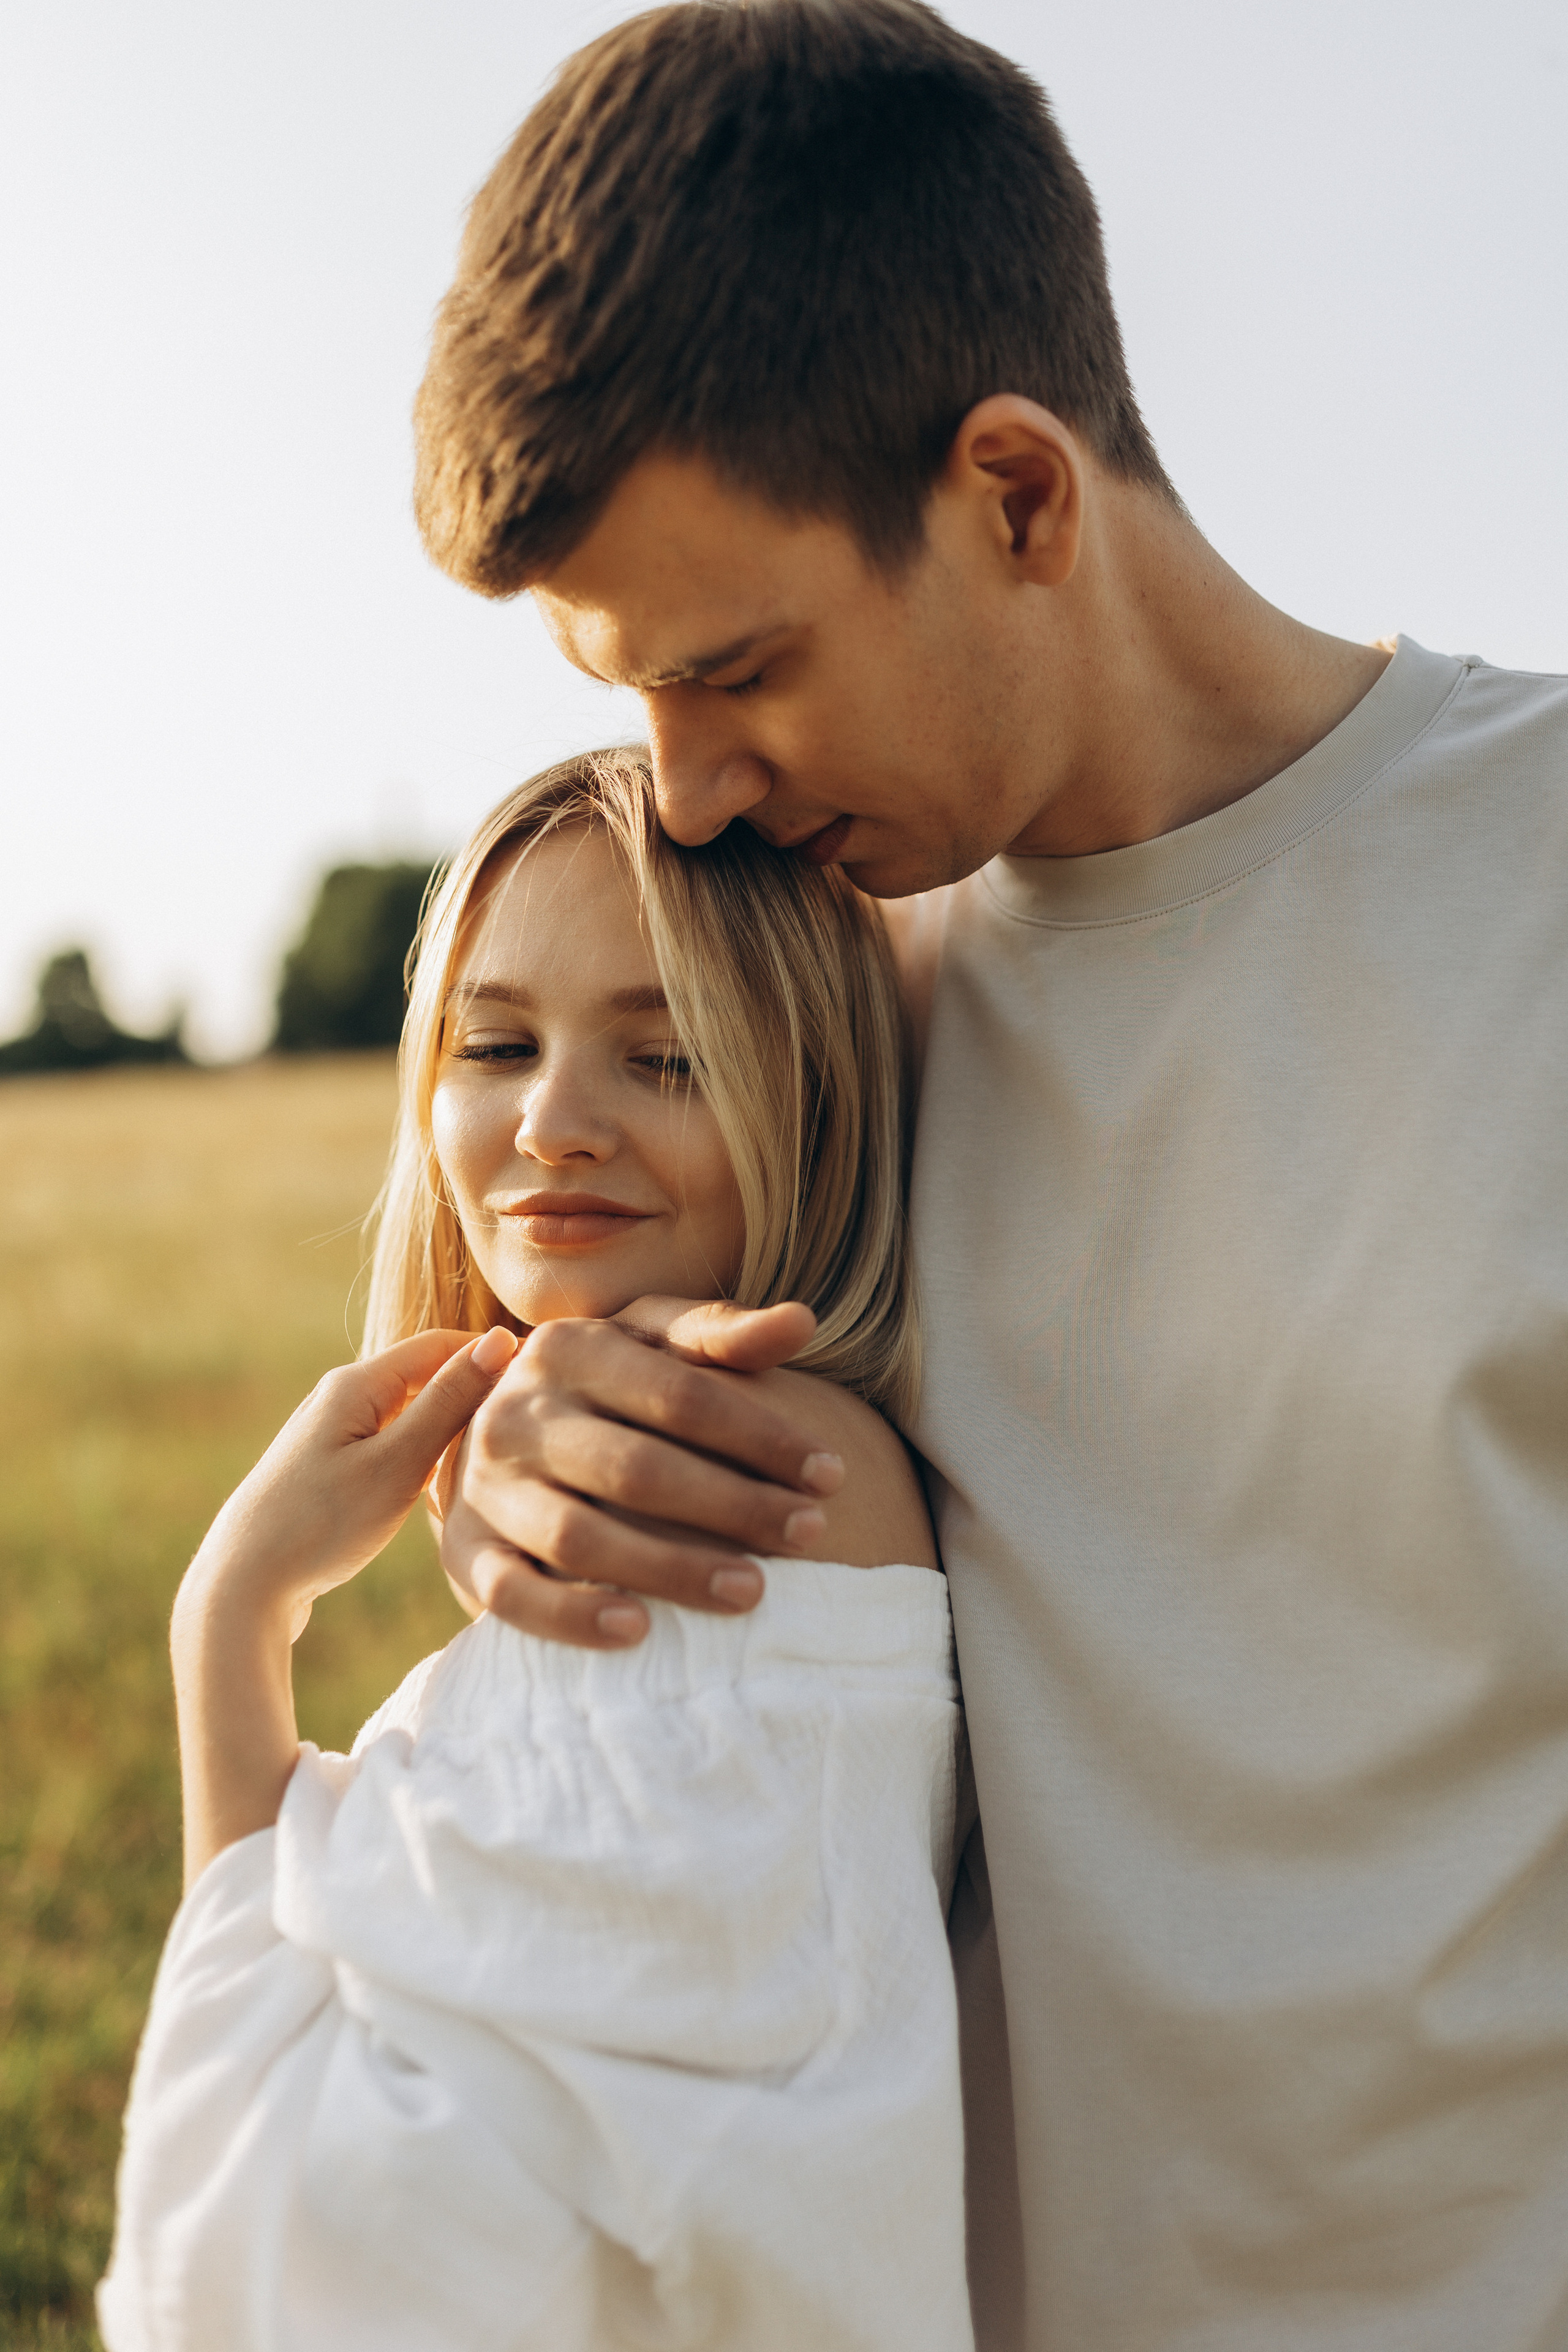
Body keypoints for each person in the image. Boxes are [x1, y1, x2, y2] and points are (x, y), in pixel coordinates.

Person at [409, 4, 1568, 2348]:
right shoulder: (808, 1030)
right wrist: (533, 1450)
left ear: (1018, 495)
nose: (696, 794)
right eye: (632, 698)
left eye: (741, 670)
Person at [97, 750, 973, 2352]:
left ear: (815, 1095)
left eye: (669, 1058)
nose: (554, 1124)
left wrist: (235, 1621)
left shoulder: (739, 1455)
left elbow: (374, 2220)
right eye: (496, 1043)